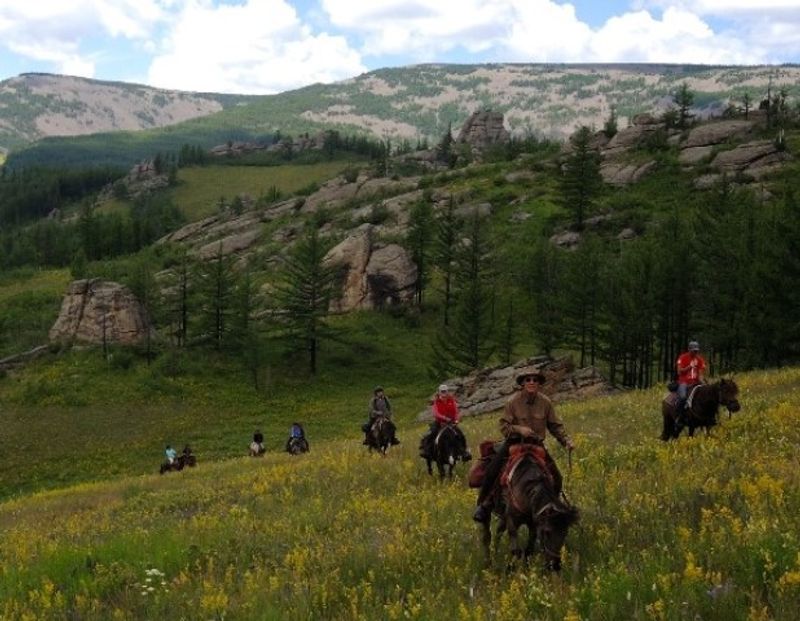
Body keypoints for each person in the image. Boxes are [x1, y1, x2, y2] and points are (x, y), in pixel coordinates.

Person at [473, 370, 574, 523]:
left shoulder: (546, 402)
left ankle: (553, 505)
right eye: (528, 380)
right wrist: (519, 429)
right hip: (514, 443)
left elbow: (554, 426)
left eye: (535, 380)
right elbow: (504, 426)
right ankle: (484, 504)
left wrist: (566, 441)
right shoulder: (512, 402)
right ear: (522, 383)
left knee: (557, 476)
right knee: (493, 470)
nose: (531, 382)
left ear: (539, 383)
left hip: (536, 445)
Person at [419, 384, 462, 458]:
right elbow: (436, 414)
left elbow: (456, 411)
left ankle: (464, 451)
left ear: (447, 391)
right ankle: (426, 450)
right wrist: (445, 418)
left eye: (445, 391)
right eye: (442, 391)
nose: (444, 393)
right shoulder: (436, 402)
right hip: (439, 423)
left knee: (460, 435)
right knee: (429, 434)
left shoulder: (451, 400)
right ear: (439, 392)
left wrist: (457, 419)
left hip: (451, 423)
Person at [674, 340, 707, 433]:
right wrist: (689, 366)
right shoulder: (682, 358)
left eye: (696, 351)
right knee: (683, 397)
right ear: (689, 349)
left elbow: (700, 373)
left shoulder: (700, 359)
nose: (695, 352)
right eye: (693, 350)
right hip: (684, 382)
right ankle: (679, 417)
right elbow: (679, 372)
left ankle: (707, 418)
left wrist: (702, 382)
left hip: (695, 382)